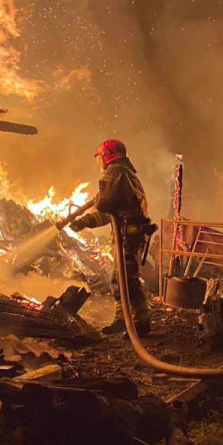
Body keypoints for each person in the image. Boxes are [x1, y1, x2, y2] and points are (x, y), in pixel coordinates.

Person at [68, 139, 152, 336]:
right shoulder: (126, 174)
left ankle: (127, 320)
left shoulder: (115, 172)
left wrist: (98, 197)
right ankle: (139, 320)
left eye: (99, 158)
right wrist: (84, 222)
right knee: (127, 278)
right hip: (132, 233)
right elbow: (110, 214)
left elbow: (104, 204)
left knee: (122, 278)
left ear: (106, 156)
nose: (99, 163)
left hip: (129, 235)